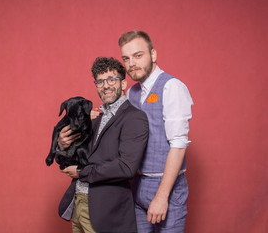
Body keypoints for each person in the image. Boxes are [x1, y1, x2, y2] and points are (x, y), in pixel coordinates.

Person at [58, 57, 149, 233]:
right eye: (100, 81)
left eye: (111, 79)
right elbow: (75, 159)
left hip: (105, 211)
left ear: (123, 84)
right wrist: (62, 145)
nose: (105, 85)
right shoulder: (93, 119)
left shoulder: (134, 118)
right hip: (78, 204)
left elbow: (126, 167)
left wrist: (81, 172)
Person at [118, 30, 194, 233]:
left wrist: (162, 196)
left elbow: (178, 146)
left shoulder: (171, 87)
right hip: (137, 185)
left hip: (166, 185)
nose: (131, 63)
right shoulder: (132, 93)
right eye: (126, 58)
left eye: (138, 55)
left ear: (153, 55)